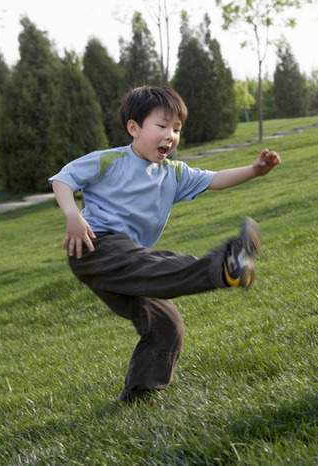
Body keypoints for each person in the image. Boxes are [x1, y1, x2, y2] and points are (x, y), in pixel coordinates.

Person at [49, 86, 281, 403]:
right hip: (95, 248)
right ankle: (225, 264)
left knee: (165, 323)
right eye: (162, 126)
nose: (170, 136)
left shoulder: (173, 174)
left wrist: (255, 170)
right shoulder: (111, 160)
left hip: (131, 263)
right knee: (155, 263)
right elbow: (63, 179)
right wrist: (73, 216)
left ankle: (140, 394)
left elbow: (215, 179)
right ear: (134, 128)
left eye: (176, 129)